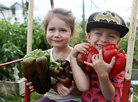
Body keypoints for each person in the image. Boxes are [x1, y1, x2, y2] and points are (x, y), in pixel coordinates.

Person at [70, 11, 129, 102]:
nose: (104, 40)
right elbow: (83, 86)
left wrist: (103, 74)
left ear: (117, 42)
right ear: (89, 37)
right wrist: (73, 57)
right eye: (98, 33)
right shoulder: (85, 54)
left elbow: (109, 95)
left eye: (111, 36)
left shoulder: (117, 61)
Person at [25, 8, 82, 102]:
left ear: (72, 33)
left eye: (63, 30)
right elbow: (43, 82)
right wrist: (34, 83)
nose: (57, 35)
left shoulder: (75, 56)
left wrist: (71, 89)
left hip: (73, 99)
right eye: (52, 29)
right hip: (50, 98)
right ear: (46, 31)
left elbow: (83, 88)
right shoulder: (43, 57)